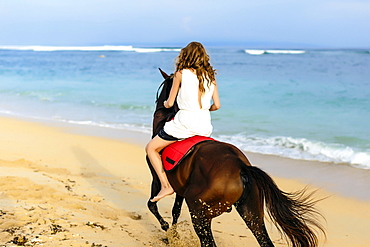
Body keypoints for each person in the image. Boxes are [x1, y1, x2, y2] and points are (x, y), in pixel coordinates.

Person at [145, 41, 221, 202]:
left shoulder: (181, 74)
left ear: (185, 56)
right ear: (203, 57)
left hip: (184, 123)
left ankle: (166, 185)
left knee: (151, 148)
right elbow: (217, 105)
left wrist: (165, 104)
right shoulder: (211, 76)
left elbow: (170, 103)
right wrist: (205, 108)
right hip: (204, 126)